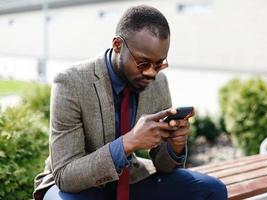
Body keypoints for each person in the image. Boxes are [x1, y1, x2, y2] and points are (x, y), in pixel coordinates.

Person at [33, 5, 227, 200]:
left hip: (130, 178)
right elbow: (66, 176)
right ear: (118, 45)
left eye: (159, 64)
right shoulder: (71, 83)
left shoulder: (158, 83)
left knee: (213, 189)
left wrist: (175, 146)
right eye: (143, 63)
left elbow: (164, 166)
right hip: (75, 187)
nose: (151, 72)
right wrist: (128, 143)